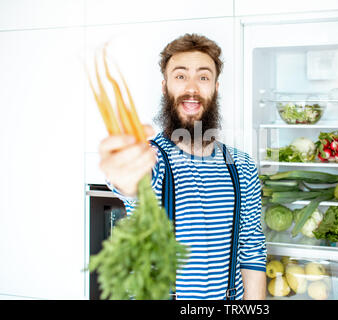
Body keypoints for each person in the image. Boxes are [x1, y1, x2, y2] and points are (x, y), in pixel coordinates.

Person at [98, 33, 266, 300]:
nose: (192, 88)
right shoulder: (152, 157)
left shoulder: (242, 165)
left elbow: (252, 249)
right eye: (180, 76)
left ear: (216, 87)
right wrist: (124, 177)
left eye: (203, 77)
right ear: (165, 87)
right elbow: (135, 185)